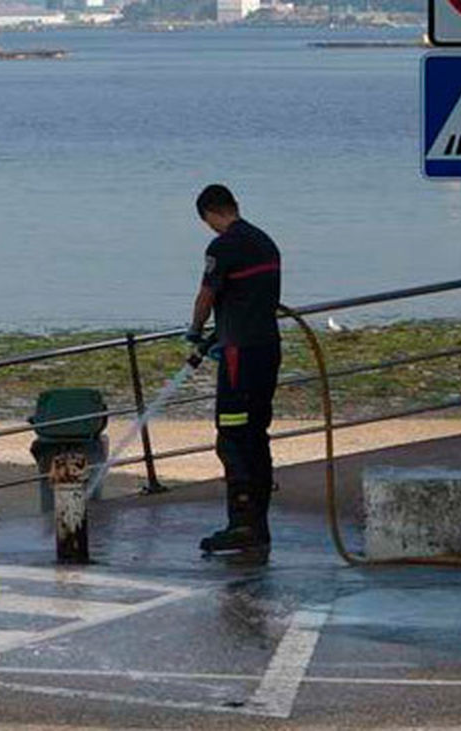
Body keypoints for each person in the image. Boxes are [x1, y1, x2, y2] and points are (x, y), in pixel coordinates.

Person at [184, 184, 282, 558]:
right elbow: (249, 299)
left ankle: (242, 524)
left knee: (232, 435)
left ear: (209, 214)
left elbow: (207, 296)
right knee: (257, 434)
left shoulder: (222, 247)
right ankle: (259, 525)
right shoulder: (265, 242)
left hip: (240, 356)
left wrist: (195, 332)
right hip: (267, 349)